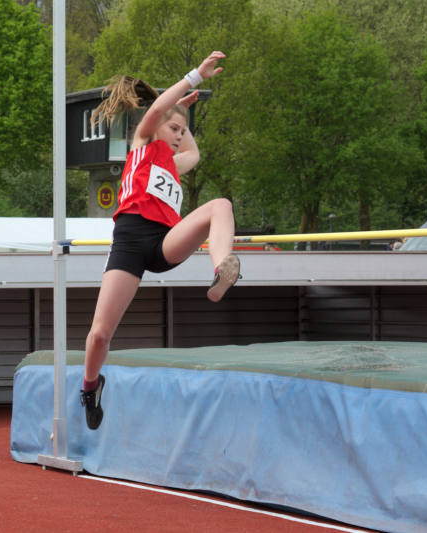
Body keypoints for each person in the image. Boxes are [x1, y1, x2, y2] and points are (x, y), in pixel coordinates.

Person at [80, 51, 239, 430]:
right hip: (131, 243)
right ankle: (89, 387)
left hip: (165, 241)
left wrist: (182, 120)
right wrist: (192, 81)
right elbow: (159, 111)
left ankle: (222, 268)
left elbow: (193, 153)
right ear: (156, 128)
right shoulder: (142, 143)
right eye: (174, 130)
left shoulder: (174, 164)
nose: (180, 137)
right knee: (100, 334)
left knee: (220, 205)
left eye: (182, 132)